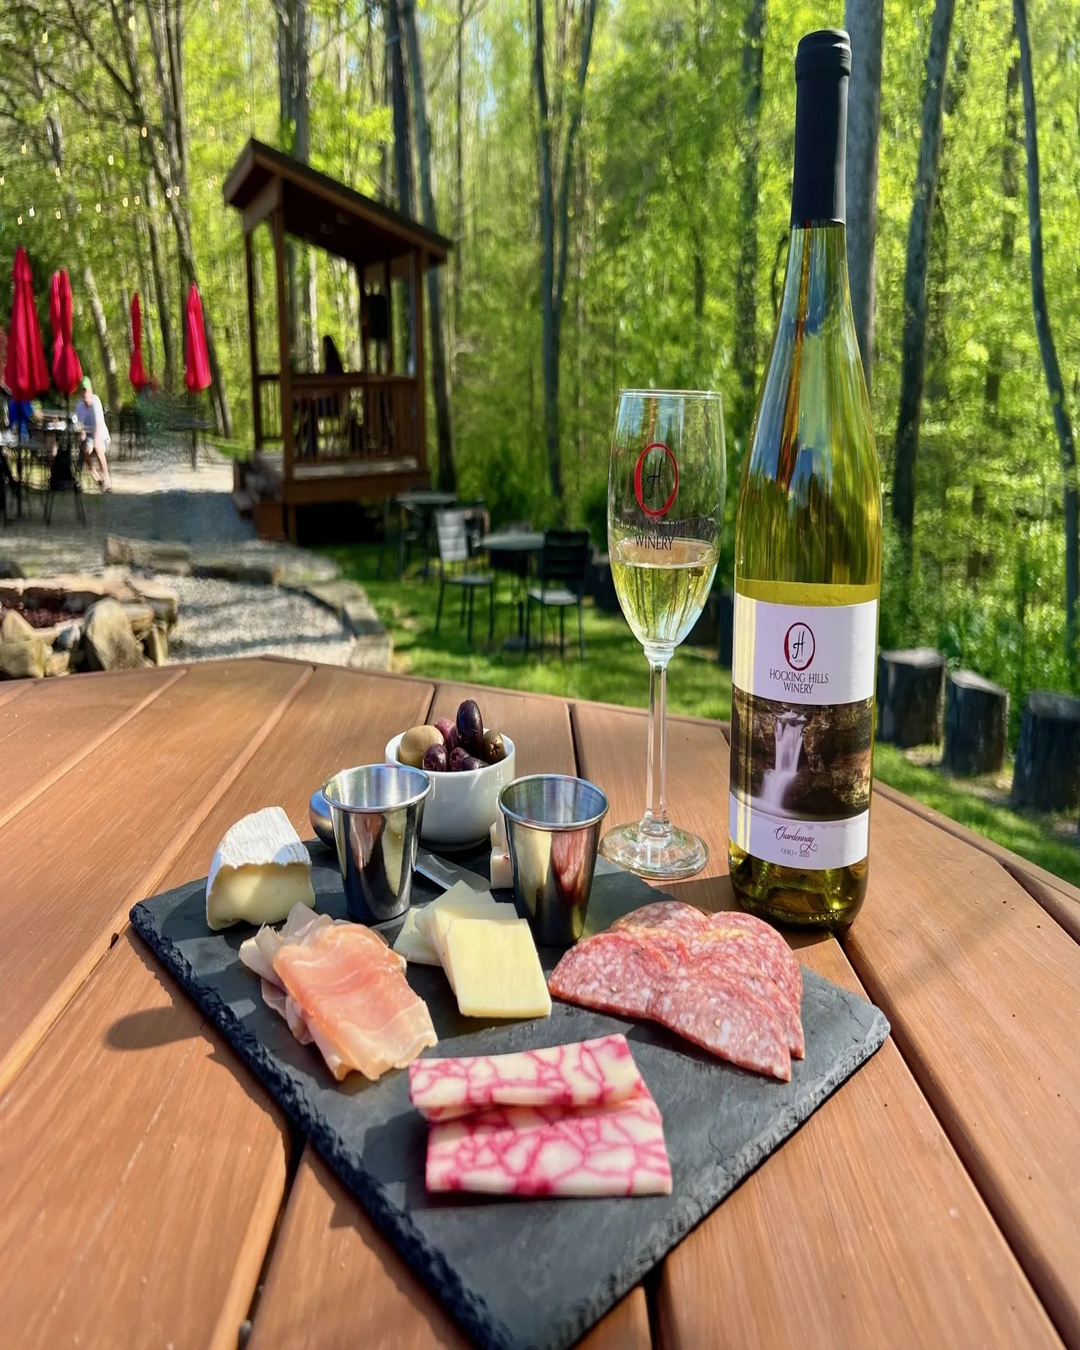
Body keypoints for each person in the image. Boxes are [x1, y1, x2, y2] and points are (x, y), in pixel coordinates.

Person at [74, 376, 112, 490]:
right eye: (83, 391)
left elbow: (99, 424)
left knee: (99, 448)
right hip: (88, 437)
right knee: (85, 449)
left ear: (91, 390)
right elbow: (79, 425)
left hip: (101, 436)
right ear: (81, 393)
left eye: (87, 390)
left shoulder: (96, 402)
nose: (85, 393)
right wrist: (82, 433)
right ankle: (94, 474)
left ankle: (107, 480)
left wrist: (96, 440)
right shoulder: (79, 407)